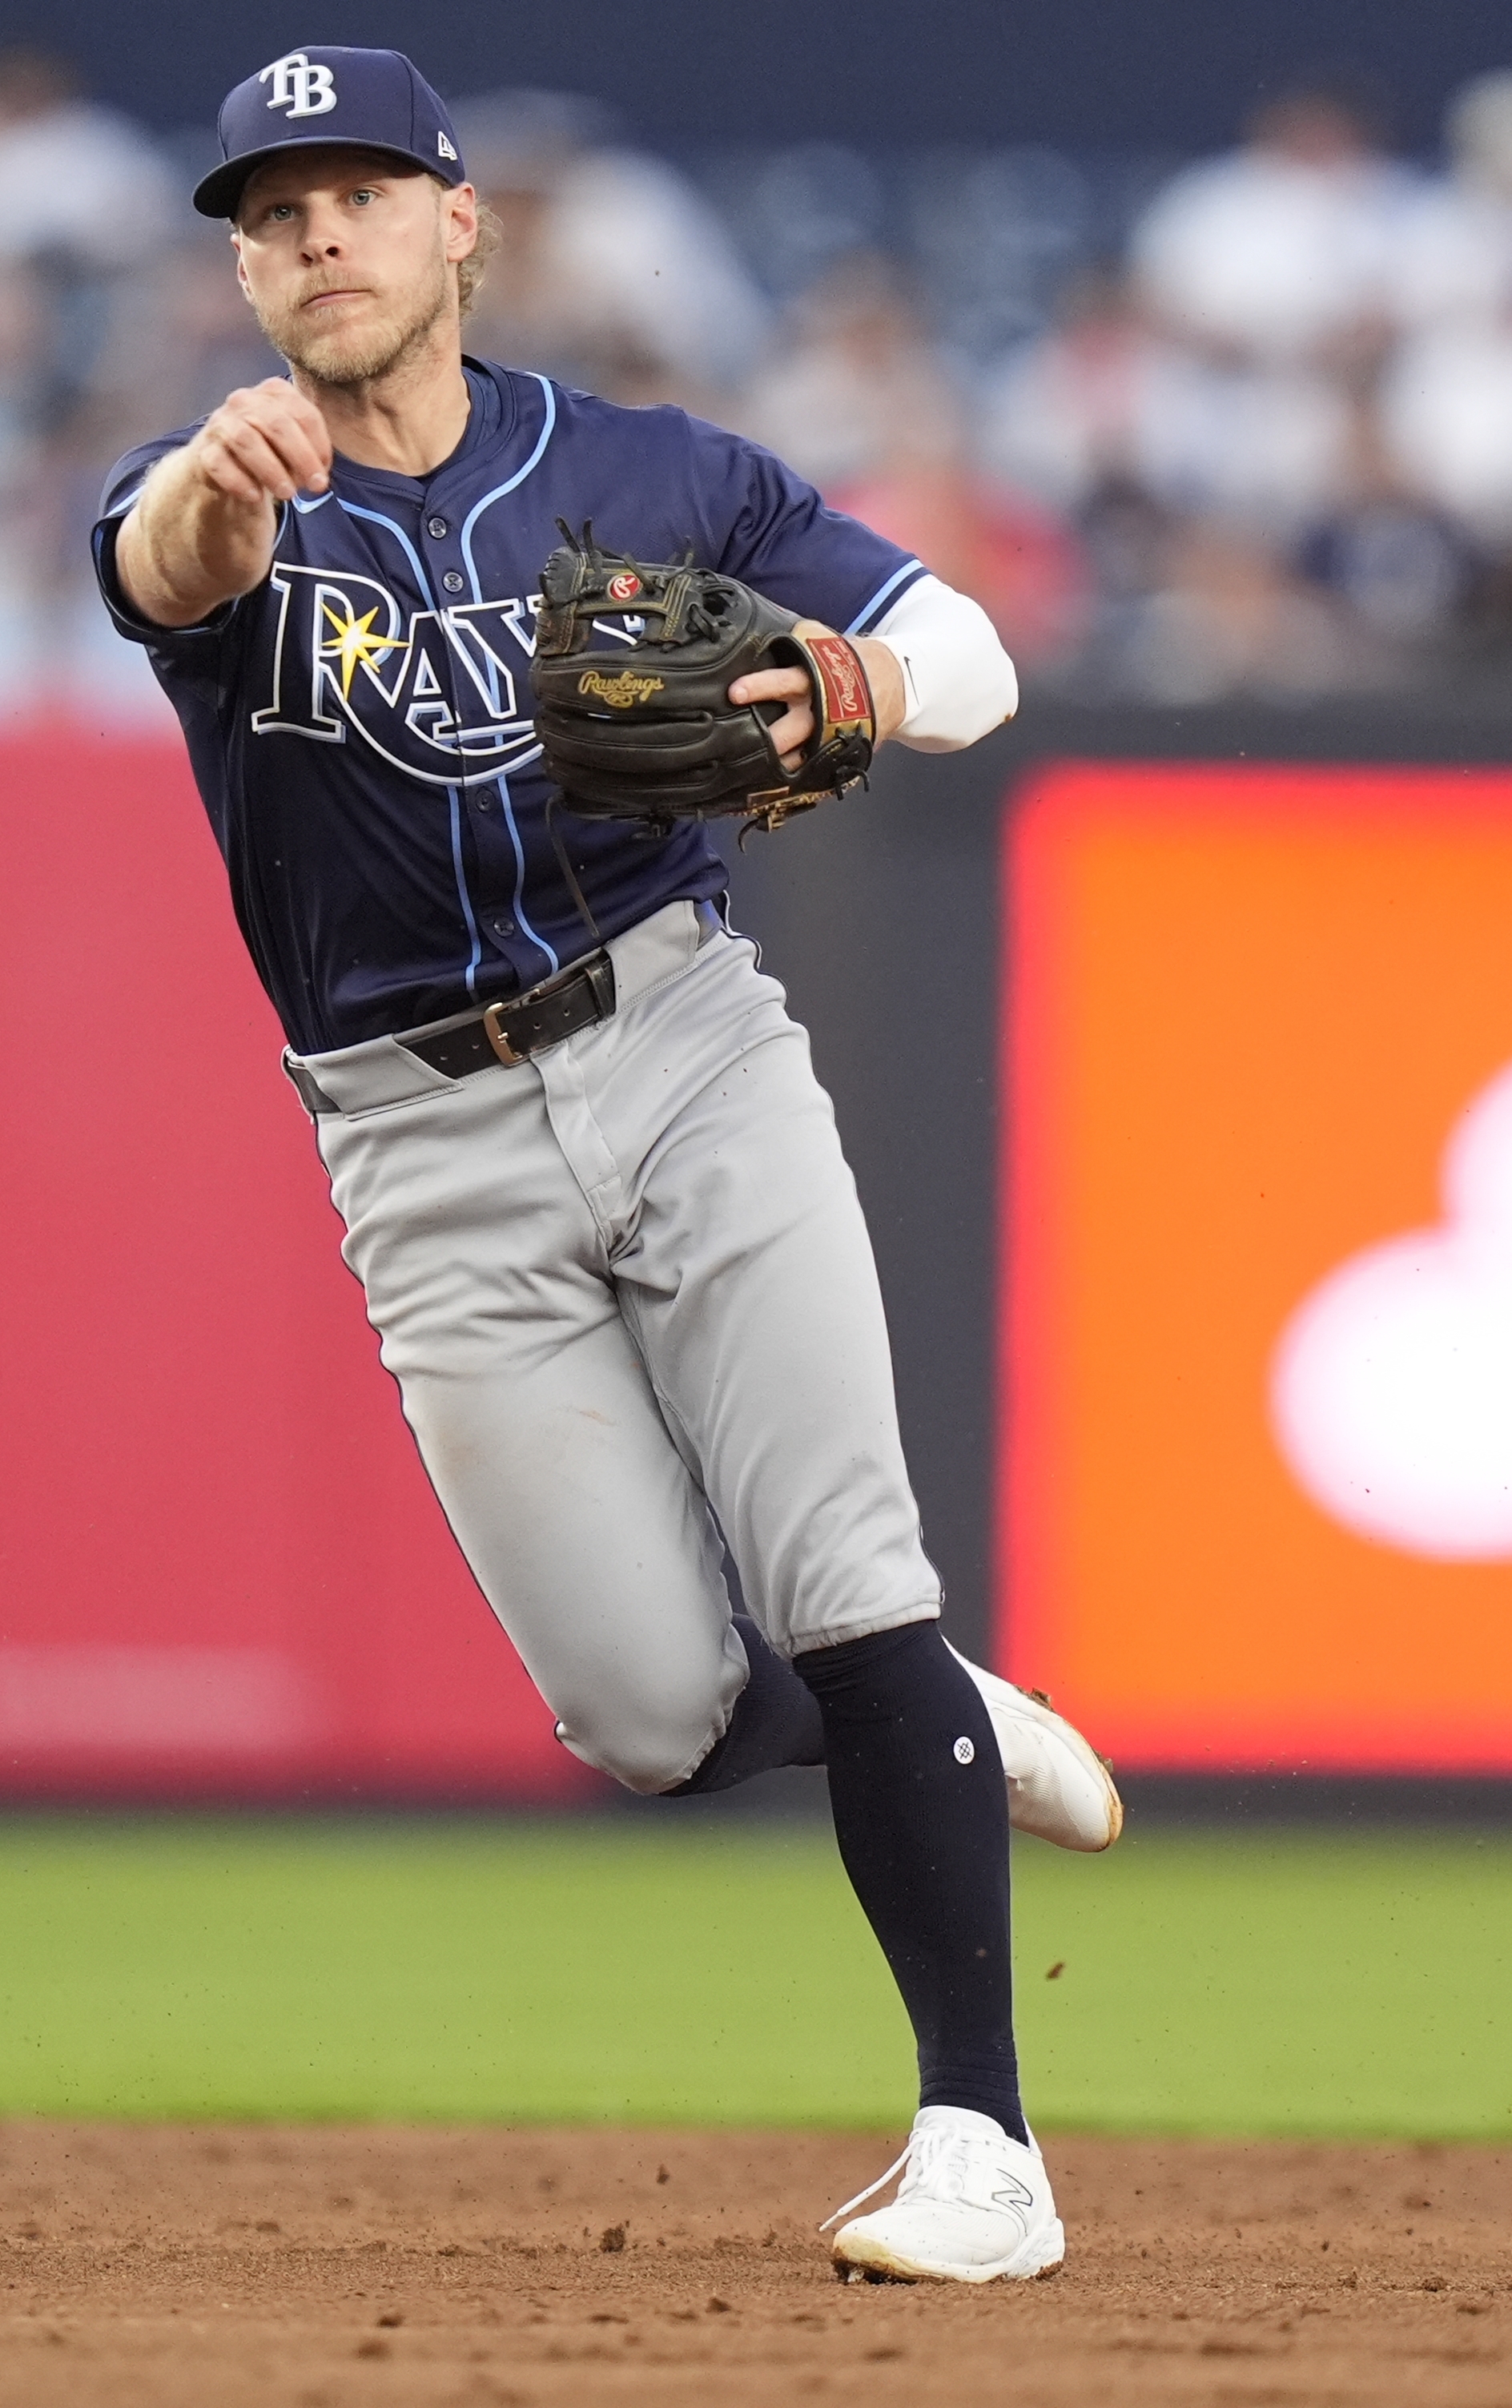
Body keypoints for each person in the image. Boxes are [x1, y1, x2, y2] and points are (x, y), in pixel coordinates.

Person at [96, 47, 1118, 2287]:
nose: (313, 239)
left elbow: (965, 652)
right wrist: (205, 490)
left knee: (846, 1569)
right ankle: (938, 1715)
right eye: (269, 215)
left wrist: (854, 686)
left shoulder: (647, 468)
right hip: (413, 1134)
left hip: (676, 1037)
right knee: (646, 1715)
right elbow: (161, 566)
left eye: (355, 193)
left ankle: (983, 2137)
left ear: (459, 224)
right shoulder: (216, 507)